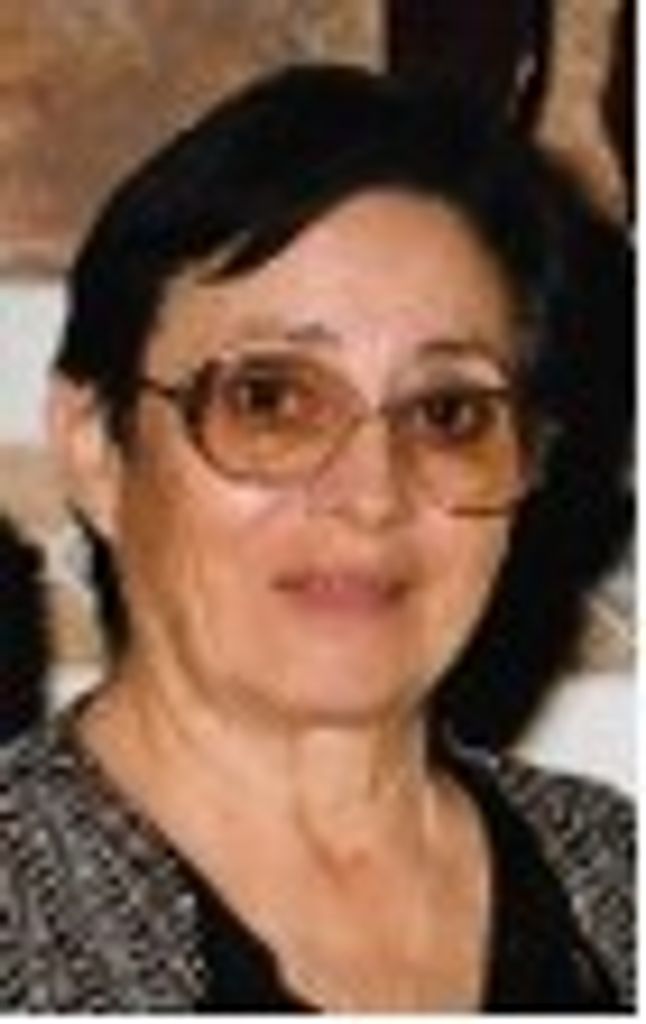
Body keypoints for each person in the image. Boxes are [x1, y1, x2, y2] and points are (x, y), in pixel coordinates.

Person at [0, 64, 633, 1012]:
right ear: (96, 447)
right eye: (271, 401)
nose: (372, 496)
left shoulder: (613, 882)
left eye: (449, 414)